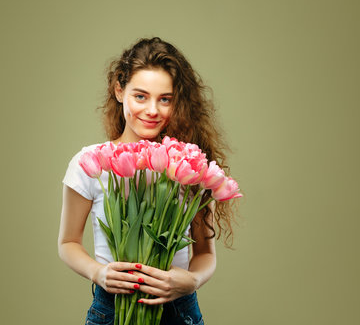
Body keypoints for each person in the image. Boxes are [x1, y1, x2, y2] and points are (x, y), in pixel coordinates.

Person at [58, 37, 238, 325]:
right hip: (114, 307)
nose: (152, 110)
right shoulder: (92, 162)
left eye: (165, 99)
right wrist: (98, 273)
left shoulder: (188, 164)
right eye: (140, 96)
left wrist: (191, 281)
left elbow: (205, 253)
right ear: (119, 91)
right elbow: (68, 242)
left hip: (178, 309)